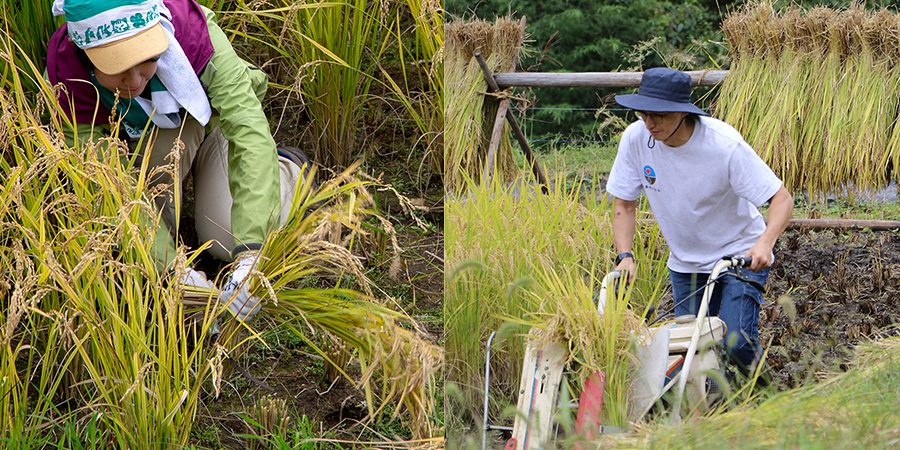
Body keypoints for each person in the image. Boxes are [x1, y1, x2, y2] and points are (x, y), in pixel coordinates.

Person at [46, 0, 311, 322]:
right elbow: (106, 182)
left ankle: (287, 167)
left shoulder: (194, 33)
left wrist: (250, 256)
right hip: (144, 141)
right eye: (116, 67)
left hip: (214, 126)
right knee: (138, 254)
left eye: (146, 59)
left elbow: (248, 131)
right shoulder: (66, 76)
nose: (133, 80)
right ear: (83, 51)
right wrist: (171, 270)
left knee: (227, 242)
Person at [607, 67, 793, 371]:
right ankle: (711, 411)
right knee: (691, 351)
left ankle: (765, 399)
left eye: (660, 115)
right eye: (644, 114)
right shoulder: (636, 139)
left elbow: (781, 199)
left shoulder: (723, 145)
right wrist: (625, 256)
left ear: (682, 112)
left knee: (735, 342)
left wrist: (765, 243)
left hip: (738, 256)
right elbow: (624, 205)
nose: (650, 123)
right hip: (685, 263)